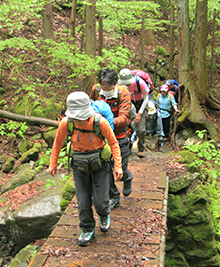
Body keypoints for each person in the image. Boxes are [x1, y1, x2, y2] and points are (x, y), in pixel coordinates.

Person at [48, 91, 123, 247]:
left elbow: (114, 143)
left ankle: (103, 215)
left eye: (80, 117)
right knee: (82, 200)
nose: (78, 121)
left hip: (100, 165)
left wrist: (118, 166)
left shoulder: (99, 122)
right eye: (75, 118)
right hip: (80, 165)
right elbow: (57, 143)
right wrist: (53, 163)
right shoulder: (66, 123)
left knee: (101, 201)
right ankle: (87, 228)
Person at [90, 68, 133, 211]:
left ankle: (128, 177)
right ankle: (114, 196)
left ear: (115, 84)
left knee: (121, 168)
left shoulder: (123, 93)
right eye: (103, 87)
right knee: (106, 169)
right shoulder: (96, 90)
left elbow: (125, 117)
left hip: (120, 135)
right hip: (101, 136)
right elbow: (91, 106)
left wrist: (107, 122)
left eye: (109, 87)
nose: (106, 90)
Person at [118, 68, 149, 158]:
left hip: (141, 103)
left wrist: (139, 114)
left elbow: (146, 99)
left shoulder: (140, 83)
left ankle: (141, 147)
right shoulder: (119, 84)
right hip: (128, 104)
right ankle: (128, 147)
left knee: (141, 129)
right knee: (127, 126)